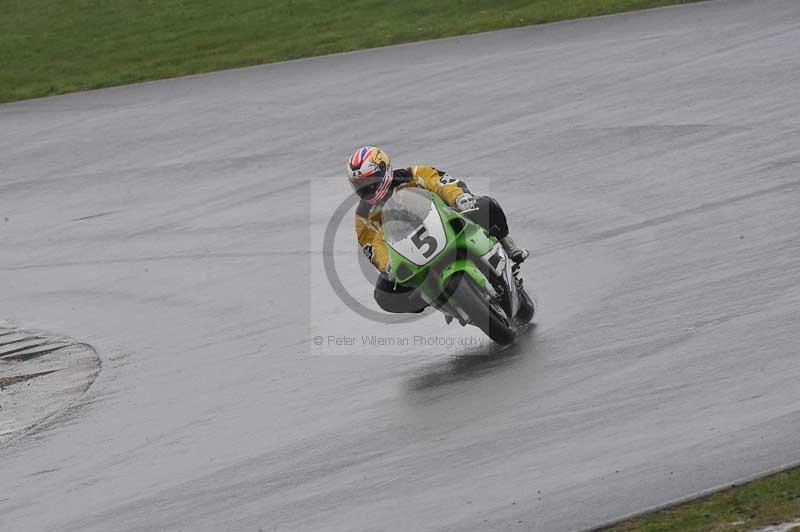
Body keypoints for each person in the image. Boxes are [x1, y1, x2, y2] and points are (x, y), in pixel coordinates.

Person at [347, 145, 528, 314]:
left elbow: (441, 183)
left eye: (369, 180)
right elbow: (372, 243)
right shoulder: (363, 215)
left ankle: (507, 244)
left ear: (383, 170)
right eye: (359, 184)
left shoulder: (413, 174)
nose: (365, 188)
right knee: (383, 294)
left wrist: (460, 198)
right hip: (409, 251)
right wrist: (386, 264)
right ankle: (433, 298)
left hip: (444, 220)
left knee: (487, 204)